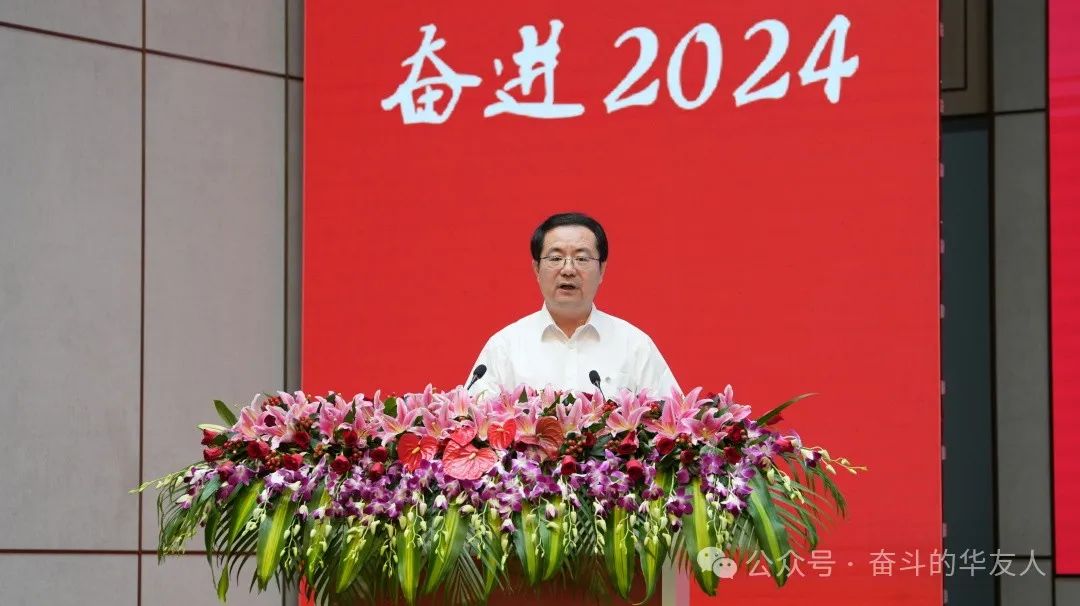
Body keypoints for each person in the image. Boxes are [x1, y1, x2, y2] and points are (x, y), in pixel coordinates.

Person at [466, 212, 680, 397]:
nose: (568, 269)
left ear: (602, 270)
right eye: (555, 258)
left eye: (582, 259)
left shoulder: (635, 346)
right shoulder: (505, 347)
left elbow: (673, 421)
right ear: (537, 269)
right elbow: (471, 423)